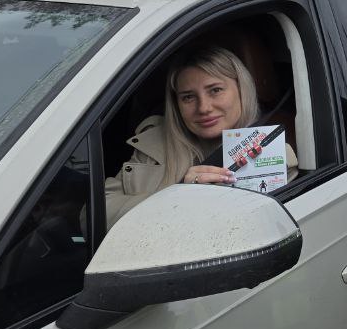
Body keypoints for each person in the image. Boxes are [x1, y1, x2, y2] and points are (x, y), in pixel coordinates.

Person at [105, 44, 298, 227]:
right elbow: (94, 217)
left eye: (215, 90)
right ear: (176, 104)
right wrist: (176, 197)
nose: (203, 108)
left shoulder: (272, 155)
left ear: (242, 90)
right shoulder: (153, 145)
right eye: (188, 97)